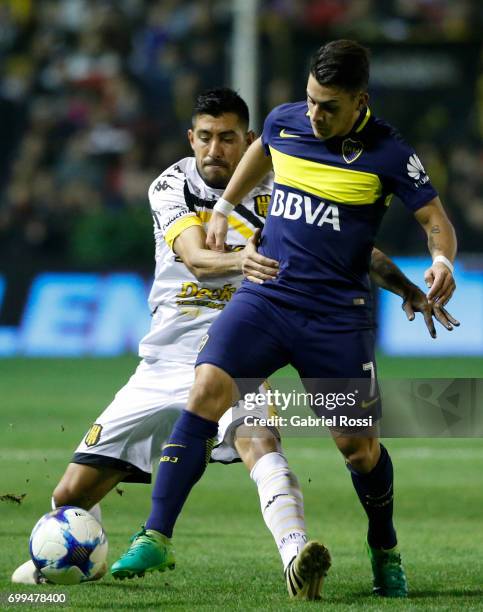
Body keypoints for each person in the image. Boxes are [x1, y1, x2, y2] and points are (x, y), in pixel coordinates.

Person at [110, 58, 458, 601]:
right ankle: (155, 533)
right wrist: (224, 206)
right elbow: (262, 149)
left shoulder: (391, 154)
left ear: (360, 102)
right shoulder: (284, 122)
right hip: (267, 297)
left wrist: (440, 265)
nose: (314, 114)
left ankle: (384, 546)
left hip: (337, 318)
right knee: (206, 390)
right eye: (311, 99)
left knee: (359, 450)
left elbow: (435, 220)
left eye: (330, 107)